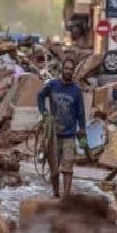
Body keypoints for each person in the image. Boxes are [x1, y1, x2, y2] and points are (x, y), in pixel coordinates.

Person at [36, 58, 86, 198]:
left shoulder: (76, 91)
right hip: (53, 135)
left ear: (73, 71)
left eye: (71, 69)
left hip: (69, 135)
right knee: (54, 169)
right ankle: (56, 194)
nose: (68, 71)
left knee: (67, 167)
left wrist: (82, 130)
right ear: (61, 70)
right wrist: (44, 112)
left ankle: (66, 197)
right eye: (66, 68)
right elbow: (40, 96)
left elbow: (81, 112)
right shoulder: (52, 85)